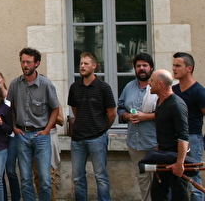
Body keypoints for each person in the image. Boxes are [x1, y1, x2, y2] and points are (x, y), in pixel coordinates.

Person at [7, 47, 59, 201]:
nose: (25, 65)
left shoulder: (46, 84)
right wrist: (14, 127)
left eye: (28, 62)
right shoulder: (15, 84)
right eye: (23, 62)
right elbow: (9, 108)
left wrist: (47, 130)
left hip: (41, 135)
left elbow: (55, 109)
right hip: (22, 135)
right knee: (25, 179)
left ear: (37, 63)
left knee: (44, 179)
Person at [67, 52, 116, 201]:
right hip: (78, 139)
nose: (82, 66)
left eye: (86, 63)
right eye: (81, 63)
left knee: (100, 176)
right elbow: (75, 110)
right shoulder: (74, 87)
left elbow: (112, 114)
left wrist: (102, 128)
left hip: (97, 138)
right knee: (77, 178)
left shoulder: (103, 87)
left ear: (94, 66)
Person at [117, 53, 158, 201]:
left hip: (155, 143)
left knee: (159, 180)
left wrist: (145, 116)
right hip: (135, 143)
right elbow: (120, 108)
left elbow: (168, 113)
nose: (141, 69)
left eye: (145, 66)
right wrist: (127, 116)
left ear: (151, 68)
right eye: (138, 66)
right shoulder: (128, 86)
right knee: (142, 180)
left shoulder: (158, 87)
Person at [149, 69, 189, 201]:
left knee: (179, 196)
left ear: (160, 84)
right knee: (158, 194)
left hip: (175, 157)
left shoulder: (176, 105)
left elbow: (183, 136)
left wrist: (180, 163)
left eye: (152, 81)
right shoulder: (160, 102)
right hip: (163, 156)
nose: (149, 83)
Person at [172, 52, 205, 201]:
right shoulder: (173, 90)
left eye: (178, 65)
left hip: (193, 138)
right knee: (176, 181)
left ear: (189, 68)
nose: (174, 68)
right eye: (173, 65)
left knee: (194, 180)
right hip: (175, 139)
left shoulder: (199, 91)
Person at [0, 71, 21, 201]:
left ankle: (16, 197)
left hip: (12, 135)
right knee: (0, 172)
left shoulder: (11, 95)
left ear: (2, 79)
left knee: (10, 169)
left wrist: (15, 127)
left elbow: (16, 113)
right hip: (0, 137)